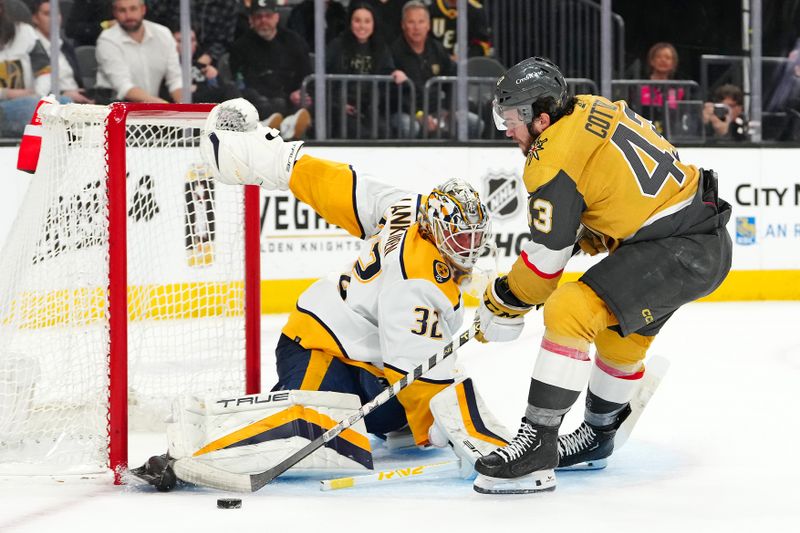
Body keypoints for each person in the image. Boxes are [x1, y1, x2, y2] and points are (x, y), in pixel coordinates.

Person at [131, 97, 513, 491]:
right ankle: (193, 453)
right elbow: (419, 370)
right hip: (320, 345)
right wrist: (466, 437)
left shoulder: (408, 207)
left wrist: (280, 160)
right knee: (311, 432)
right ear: (434, 229)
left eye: (474, 236)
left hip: (363, 362)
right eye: (459, 236)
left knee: (417, 391)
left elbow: (343, 190)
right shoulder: (417, 281)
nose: (467, 246)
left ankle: (394, 423)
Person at [471, 57, 732, 494]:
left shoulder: (550, 157)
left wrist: (503, 298)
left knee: (570, 308)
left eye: (514, 118)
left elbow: (541, 272)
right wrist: (590, 233)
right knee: (620, 334)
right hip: (699, 238)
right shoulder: (591, 105)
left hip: (677, 247)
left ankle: (537, 441)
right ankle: (598, 435)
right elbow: (620, 189)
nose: (508, 130)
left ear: (542, 116)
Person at [390, 0, 481, 138]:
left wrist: (449, 110)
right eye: (411, 22)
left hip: (437, 110)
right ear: (403, 25)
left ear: (428, 25)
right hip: (406, 112)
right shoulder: (394, 52)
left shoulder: (437, 49)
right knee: (409, 126)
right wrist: (419, 115)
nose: (416, 27)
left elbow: (453, 80)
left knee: (474, 123)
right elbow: (394, 96)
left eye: (421, 22)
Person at [229, 0, 311, 140]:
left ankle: (282, 126)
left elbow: (306, 73)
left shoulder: (294, 41)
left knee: (307, 105)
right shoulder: (241, 46)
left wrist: (299, 92)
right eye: (258, 17)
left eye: (268, 15)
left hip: (289, 98)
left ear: (276, 17)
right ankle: (280, 127)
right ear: (251, 20)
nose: (263, 20)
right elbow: (238, 80)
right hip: (258, 102)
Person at [326, 2, 407, 138]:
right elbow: (324, 79)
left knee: (384, 132)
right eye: (357, 21)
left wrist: (396, 73)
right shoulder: (337, 46)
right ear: (350, 22)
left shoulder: (381, 48)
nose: (362, 26)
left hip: (370, 108)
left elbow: (388, 72)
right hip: (339, 109)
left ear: (373, 24)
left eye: (367, 21)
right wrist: (339, 104)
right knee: (359, 133)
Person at [95, 0, 182, 103]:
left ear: (143, 9)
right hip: (113, 107)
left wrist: (183, 105)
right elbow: (123, 86)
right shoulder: (107, 40)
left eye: (133, 9)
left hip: (151, 107)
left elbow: (175, 79)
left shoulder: (163, 34)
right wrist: (163, 106)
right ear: (115, 13)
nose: (128, 16)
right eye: (122, 10)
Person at [0, 0, 52, 136]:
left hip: (30, 98)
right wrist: (7, 93)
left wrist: (39, 95)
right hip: (8, 104)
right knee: (29, 107)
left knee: (64, 102)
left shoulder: (25, 32)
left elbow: (45, 70)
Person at [27, 0, 93, 103]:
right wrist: (62, 94)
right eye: (47, 14)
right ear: (35, 18)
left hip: (77, 101)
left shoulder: (64, 45)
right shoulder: (30, 47)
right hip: (52, 104)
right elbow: (34, 91)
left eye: (56, 13)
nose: (54, 19)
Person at [144, 0, 237, 64]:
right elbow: (150, 17)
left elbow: (224, 40)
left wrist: (207, 58)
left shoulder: (228, 3)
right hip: (166, 51)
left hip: (207, 58)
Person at [173, 27, 240, 104]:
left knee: (248, 93)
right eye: (180, 41)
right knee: (229, 89)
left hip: (208, 101)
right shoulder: (169, 66)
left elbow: (220, 88)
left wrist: (214, 78)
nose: (187, 45)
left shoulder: (200, 65)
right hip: (184, 102)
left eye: (192, 40)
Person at [639, 42, 685, 131]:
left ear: (673, 63)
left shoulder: (678, 89)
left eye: (667, 58)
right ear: (652, 61)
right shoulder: (640, 86)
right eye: (659, 57)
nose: (663, 60)